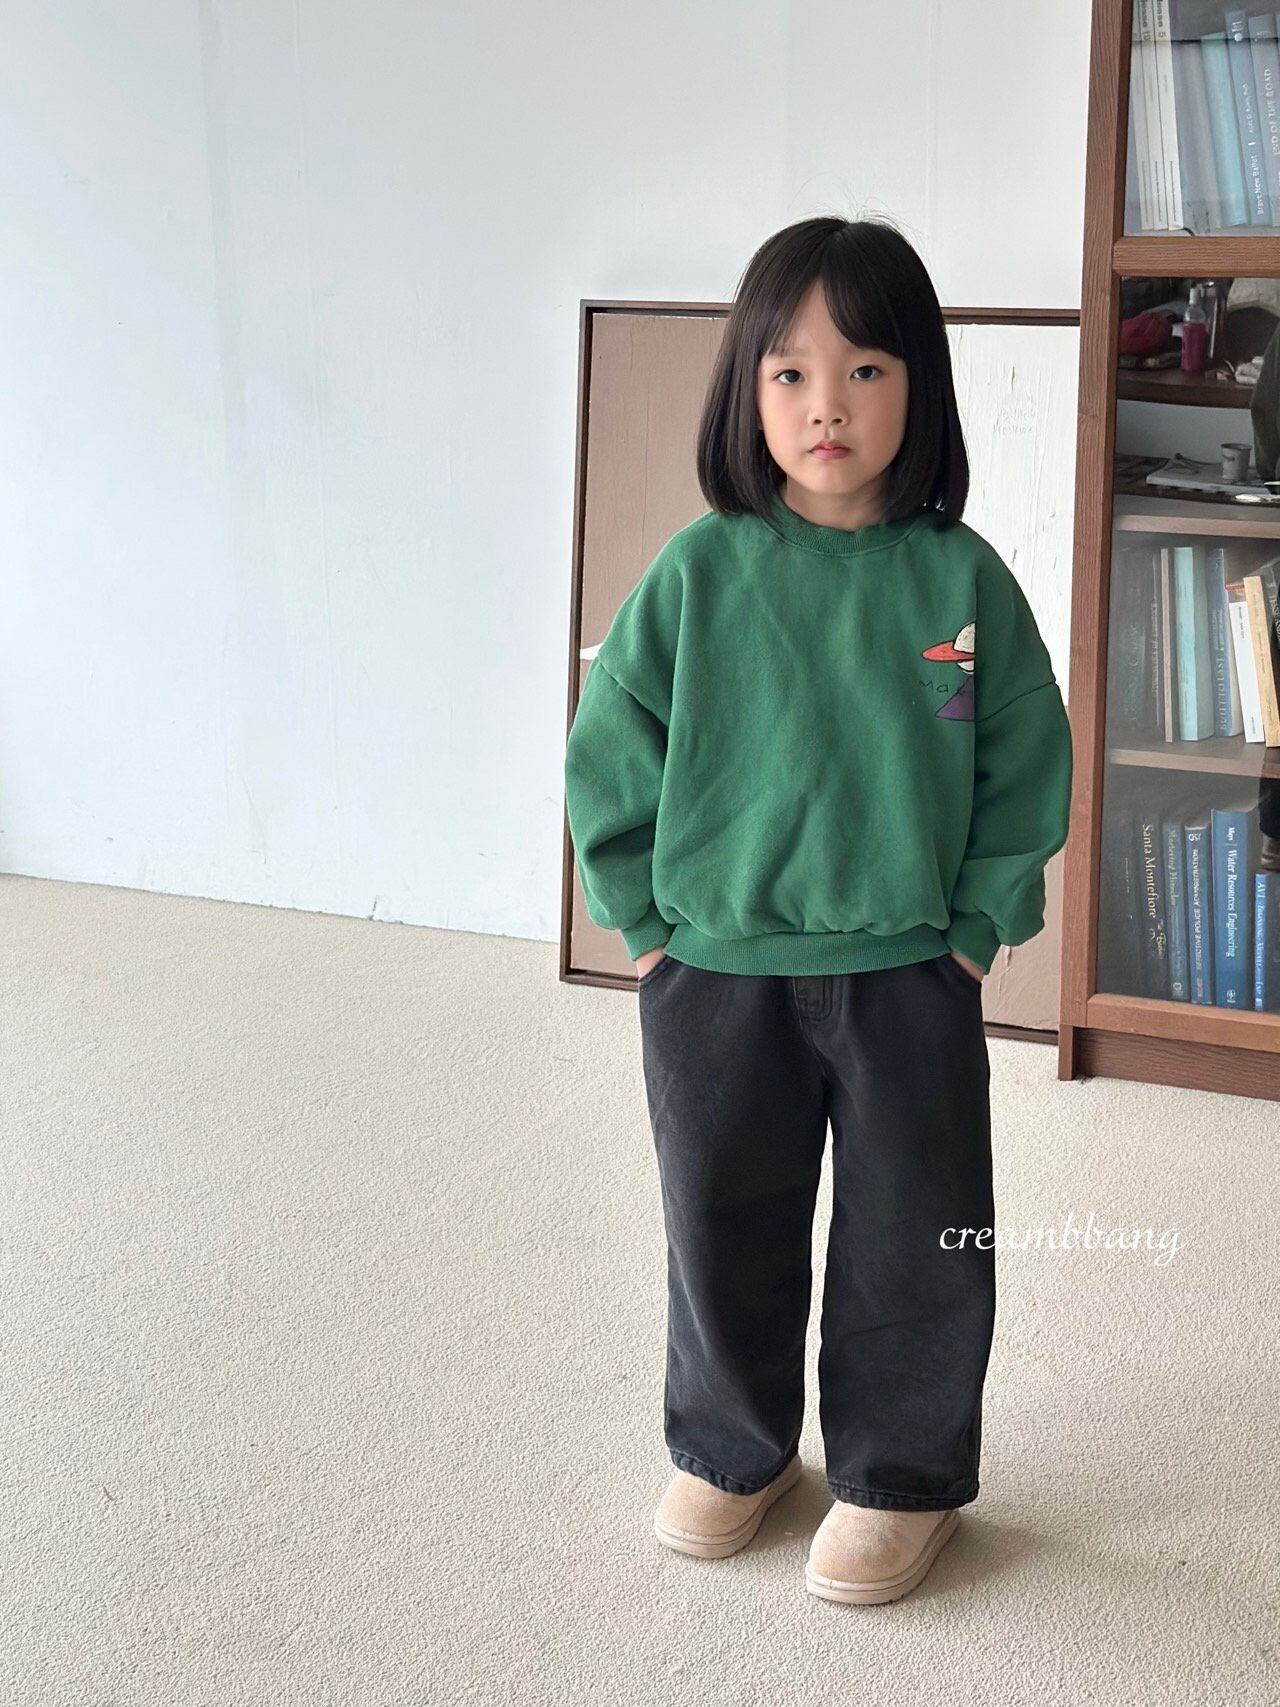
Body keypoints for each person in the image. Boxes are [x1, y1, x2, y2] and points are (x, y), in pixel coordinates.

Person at [563, 216, 1074, 1605]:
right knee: (720, 1217)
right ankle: (735, 1449)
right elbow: (610, 746)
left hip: (911, 969)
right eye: (788, 372)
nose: (826, 404)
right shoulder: (699, 572)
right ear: (746, 389)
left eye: (864, 369)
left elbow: (1024, 758)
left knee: (918, 1232)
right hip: (714, 968)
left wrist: (975, 927)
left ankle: (901, 1476)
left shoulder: (959, 582)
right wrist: (643, 920)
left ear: (920, 386)